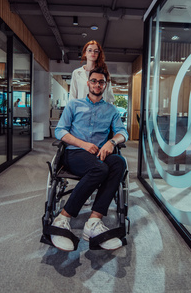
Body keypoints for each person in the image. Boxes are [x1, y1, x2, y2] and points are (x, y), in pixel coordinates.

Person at [53, 67, 128, 251]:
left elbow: (123, 132)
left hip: (99, 154)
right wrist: (83, 144)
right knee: (100, 169)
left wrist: (112, 141)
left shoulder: (111, 110)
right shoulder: (74, 105)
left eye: (101, 82)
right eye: (93, 81)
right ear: (88, 83)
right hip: (75, 153)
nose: (97, 84)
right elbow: (60, 130)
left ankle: (93, 222)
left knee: (119, 162)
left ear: (105, 85)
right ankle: (62, 218)